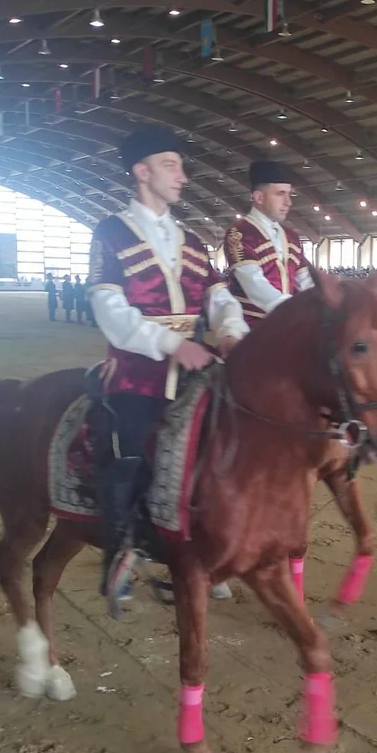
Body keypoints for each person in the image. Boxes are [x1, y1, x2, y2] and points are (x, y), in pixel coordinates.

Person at [87, 126, 248, 613]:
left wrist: (231, 329)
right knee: (130, 449)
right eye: (170, 165)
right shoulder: (111, 232)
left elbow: (218, 296)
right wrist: (172, 344)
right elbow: (108, 308)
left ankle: (208, 546)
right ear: (141, 172)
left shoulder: (193, 240)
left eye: (181, 166)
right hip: (137, 371)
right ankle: (119, 552)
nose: (183, 175)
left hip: (197, 365)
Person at [224, 160, 314, 325]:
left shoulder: (292, 237)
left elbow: (306, 280)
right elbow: (253, 284)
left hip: (287, 324)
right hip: (252, 329)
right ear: (259, 197)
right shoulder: (239, 233)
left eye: (289, 194)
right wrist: (290, 309)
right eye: (280, 194)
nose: (288, 202)